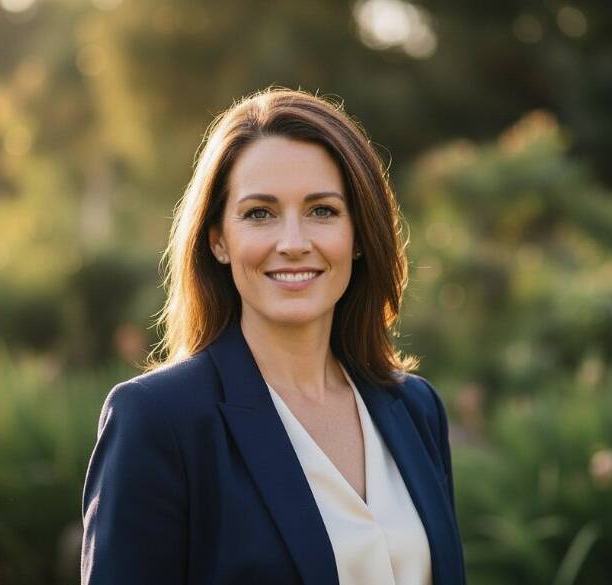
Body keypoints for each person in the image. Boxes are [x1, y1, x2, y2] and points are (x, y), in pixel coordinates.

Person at [80, 87, 466, 585]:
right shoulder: (159, 420)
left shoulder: (415, 408)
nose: (293, 243)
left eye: (322, 210)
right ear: (218, 239)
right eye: (259, 213)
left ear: (359, 235)